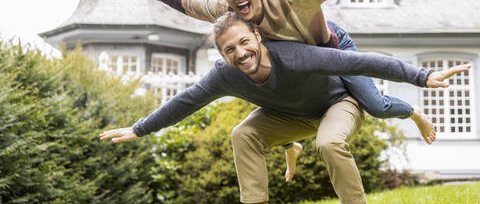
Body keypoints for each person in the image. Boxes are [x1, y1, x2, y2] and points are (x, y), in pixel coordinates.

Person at [114, 0, 417, 194]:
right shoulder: (225, 13)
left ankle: (412, 112)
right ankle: (289, 147)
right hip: (289, 72)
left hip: (332, 50)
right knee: (262, 98)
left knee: (376, 105)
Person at [100, 12, 471, 204]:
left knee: (330, 141)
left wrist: (422, 77)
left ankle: (411, 113)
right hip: (291, 117)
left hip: (337, 103)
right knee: (242, 133)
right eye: (230, 50)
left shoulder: (295, 56)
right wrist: (139, 129)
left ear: (257, 36)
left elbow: (363, 62)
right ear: (221, 54)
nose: (240, 53)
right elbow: (185, 102)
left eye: (244, 42)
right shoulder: (223, 76)